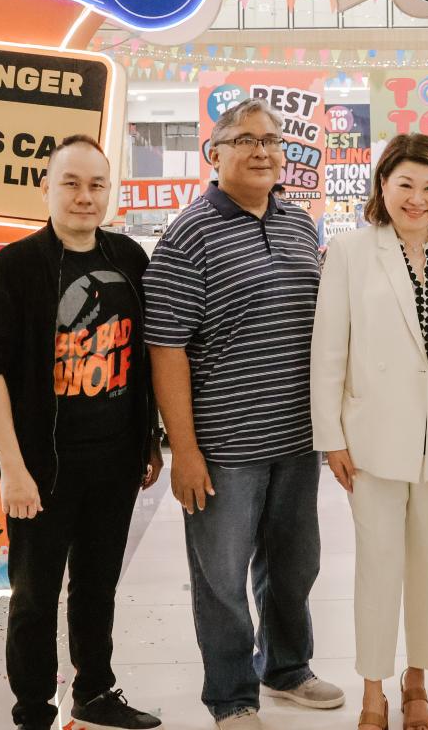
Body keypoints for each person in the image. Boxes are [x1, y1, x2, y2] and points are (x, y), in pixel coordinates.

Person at [144, 98, 344, 730]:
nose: (263, 151)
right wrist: (186, 450)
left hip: (296, 436)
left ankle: (286, 669)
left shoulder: (298, 224)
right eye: (246, 140)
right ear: (217, 153)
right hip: (223, 444)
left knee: (294, 564)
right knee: (222, 578)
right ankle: (231, 696)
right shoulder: (188, 234)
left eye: (272, 140)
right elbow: (166, 348)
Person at [0, 134, 163, 730]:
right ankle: (32, 709)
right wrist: (13, 470)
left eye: (96, 185)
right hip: (40, 468)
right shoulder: (13, 268)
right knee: (34, 595)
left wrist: (148, 442)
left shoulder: (131, 259)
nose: (84, 196)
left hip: (114, 460)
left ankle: (95, 691)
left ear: (110, 191)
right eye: (71, 183)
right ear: (46, 188)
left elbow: (147, 360)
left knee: (98, 584)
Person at [311, 134, 428, 730]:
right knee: (377, 568)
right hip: (372, 442)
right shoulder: (350, 251)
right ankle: (371, 691)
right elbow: (329, 351)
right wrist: (331, 437)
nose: (417, 198)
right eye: (405, 184)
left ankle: (418, 680)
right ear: (382, 185)